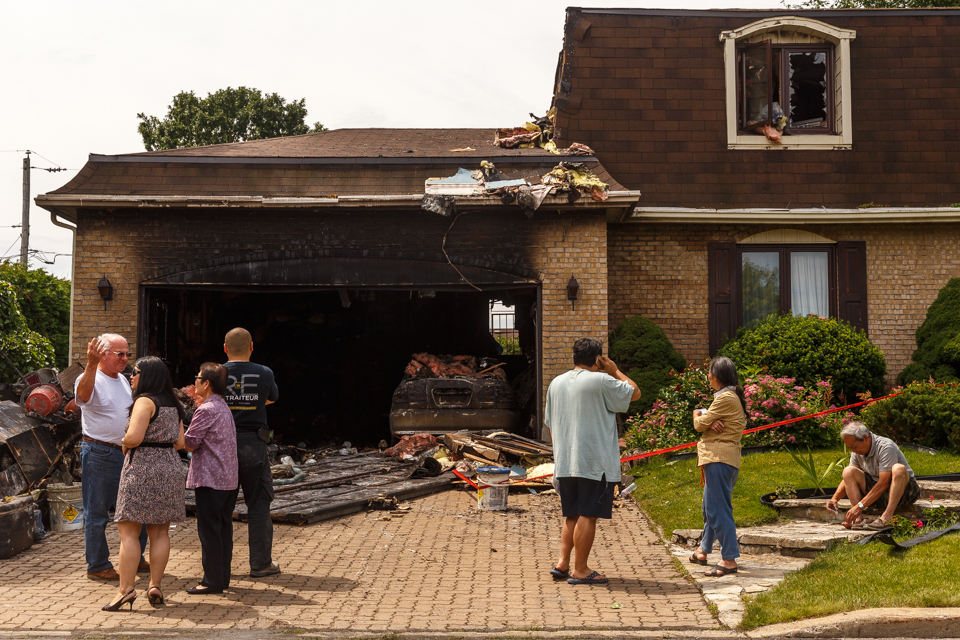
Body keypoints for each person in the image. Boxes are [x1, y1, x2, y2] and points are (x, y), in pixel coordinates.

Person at [544, 337, 640, 585]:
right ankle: (581, 570)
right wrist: (614, 370)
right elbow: (635, 392)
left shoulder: (556, 383)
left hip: (565, 461)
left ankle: (562, 563)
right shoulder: (602, 380)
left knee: (572, 514)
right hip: (594, 463)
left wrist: (560, 454)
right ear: (598, 359)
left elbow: (550, 426)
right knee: (588, 515)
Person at [103, 357, 186, 611]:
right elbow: (181, 443)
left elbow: (135, 437)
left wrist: (124, 441)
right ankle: (155, 585)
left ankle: (126, 590)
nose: (131, 376)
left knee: (128, 533)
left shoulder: (144, 401)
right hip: (170, 467)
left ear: (147, 375)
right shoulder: (174, 404)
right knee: (160, 532)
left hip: (142, 469)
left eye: (135, 372)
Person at [74, 334, 148, 580]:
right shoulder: (90, 377)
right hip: (100, 454)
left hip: (125, 453)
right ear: (103, 354)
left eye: (127, 353)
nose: (125, 359)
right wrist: (90, 364)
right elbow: (82, 398)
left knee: (137, 509)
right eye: (120, 354)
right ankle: (97, 565)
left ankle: (135, 557)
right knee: (97, 513)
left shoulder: (123, 381)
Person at [223, 327, 281, 577]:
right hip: (255, 446)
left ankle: (219, 569)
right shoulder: (264, 372)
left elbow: (202, 401)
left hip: (222, 447)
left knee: (221, 508)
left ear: (225, 348)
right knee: (258, 506)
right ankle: (260, 564)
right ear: (252, 347)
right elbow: (271, 399)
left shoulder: (213, 373)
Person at [183, 362, 239, 595]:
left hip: (210, 478)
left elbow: (189, 442)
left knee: (209, 532)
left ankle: (211, 581)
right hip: (227, 478)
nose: (194, 382)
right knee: (223, 529)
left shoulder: (206, 409)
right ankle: (221, 578)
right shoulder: (222, 406)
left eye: (197, 378)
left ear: (206, 383)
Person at [689, 357, 748, 578]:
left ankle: (729, 559)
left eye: (710, 373)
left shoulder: (725, 398)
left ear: (719, 376)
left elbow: (698, 425)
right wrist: (708, 418)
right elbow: (708, 421)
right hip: (722, 459)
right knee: (710, 508)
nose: (708, 377)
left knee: (718, 510)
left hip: (719, 459)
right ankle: (703, 550)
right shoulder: (729, 397)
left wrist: (698, 414)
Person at [827, 422, 921, 531]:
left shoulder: (885, 446)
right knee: (848, 471)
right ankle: (857, 520)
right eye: (850, 447)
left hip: (905, 493)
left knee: (898, 469)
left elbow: (884, 483)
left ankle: (886, 518)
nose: (853, 450)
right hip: (880, 495)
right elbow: (848, 478)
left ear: (865, 437)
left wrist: (860, 506)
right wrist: (834, 499)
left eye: (854, 446)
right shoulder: (857, 452)